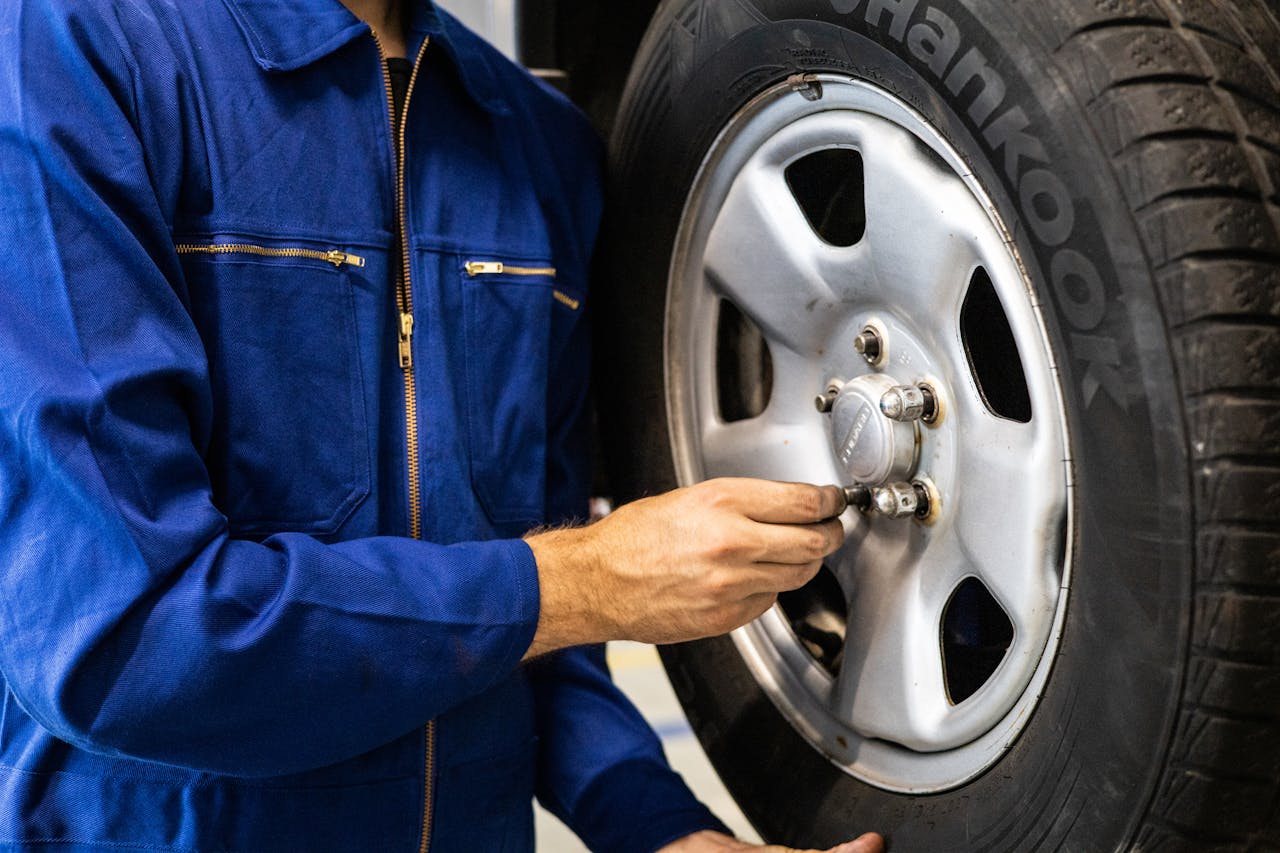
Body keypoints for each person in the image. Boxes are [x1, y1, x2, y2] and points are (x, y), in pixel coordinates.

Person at [0, 0, 884, 850]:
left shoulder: (539, 142)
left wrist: (652, 823)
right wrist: (578, 583)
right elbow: (121, 640)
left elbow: (541, 631)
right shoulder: (72, 50)